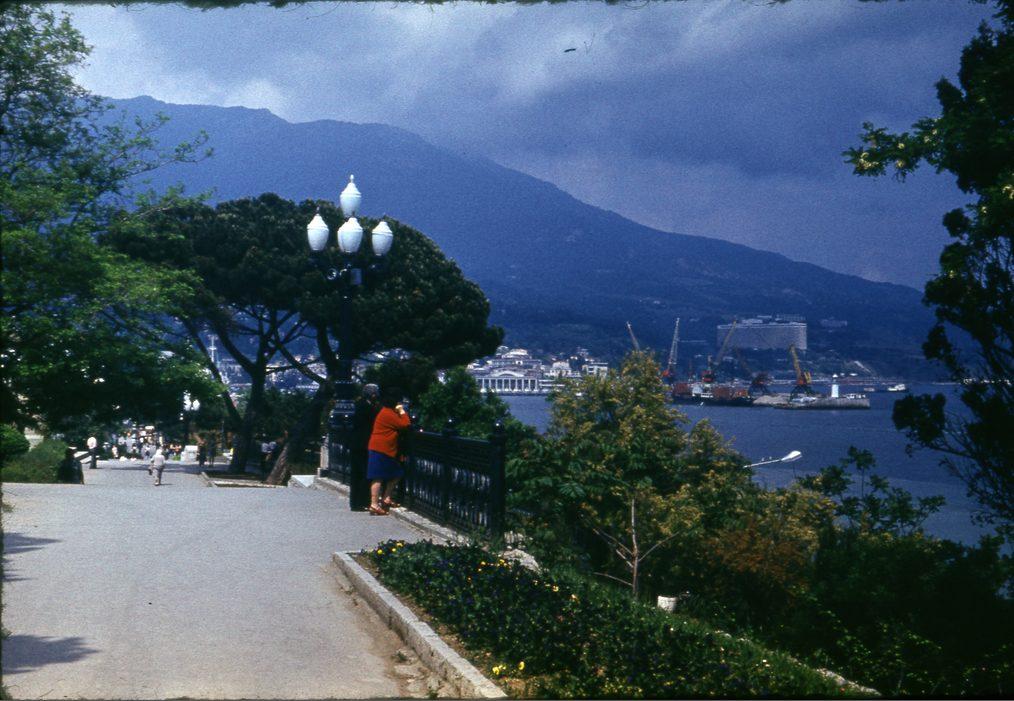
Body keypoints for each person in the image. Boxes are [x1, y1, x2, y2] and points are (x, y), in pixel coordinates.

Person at [366, 386, 411, 515]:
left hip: (383, 448)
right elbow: (405, 424)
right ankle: (374, 504)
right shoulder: (388, 413)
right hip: (381, 448)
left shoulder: (386, 411)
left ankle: (386, 498)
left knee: (396, 473)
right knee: (378, 477)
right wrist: (402, 411)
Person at [350, 383, 381, 511]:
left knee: (357, 474)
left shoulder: (360, 404)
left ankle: (356, 502)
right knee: (363, 473)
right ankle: (361, 501)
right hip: (363, 444)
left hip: (358, 443)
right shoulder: (366, 406)